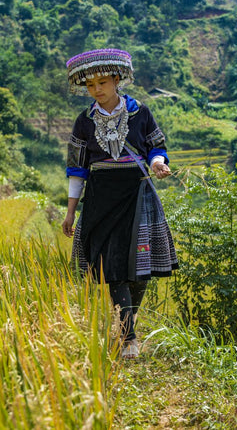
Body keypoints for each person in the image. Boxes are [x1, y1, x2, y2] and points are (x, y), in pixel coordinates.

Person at [62, 49, 178, 359]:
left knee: (139, 271)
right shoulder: (84, 122)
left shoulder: (140, 112)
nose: (96, 89)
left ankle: (129, 319)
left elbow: (156, 147)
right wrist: (71, 211)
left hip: (137, 193)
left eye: (102, 82)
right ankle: (129, 339)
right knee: (112, 267)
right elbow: (77, 170)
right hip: (101, 198)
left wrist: (156, 163)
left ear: (117, 79)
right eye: (90, 85)